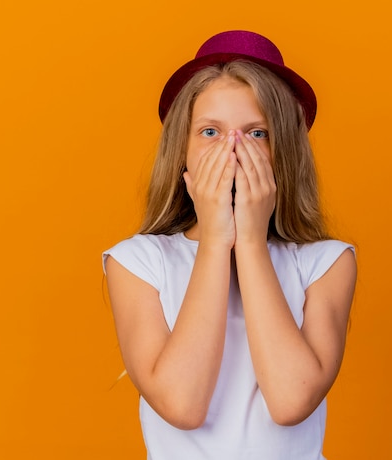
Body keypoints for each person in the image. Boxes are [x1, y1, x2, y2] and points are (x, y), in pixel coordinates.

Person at [103, 30, 357, 460]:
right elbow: (182, 405)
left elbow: (291, 401)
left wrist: (252, 242)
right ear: (181, 149)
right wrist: (217, 238)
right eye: (209, 132)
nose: (233, 151)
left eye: (256, 134)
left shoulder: (326, 262)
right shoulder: (137, 262)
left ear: (285, 151)